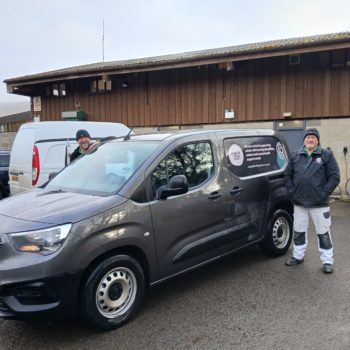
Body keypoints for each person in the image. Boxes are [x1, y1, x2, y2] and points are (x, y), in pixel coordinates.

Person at [284, 128, 340, 274]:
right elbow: (287, 175)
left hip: (319, 203)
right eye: (308, 137)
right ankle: (298, 256)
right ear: (304, 140)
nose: (310, 140)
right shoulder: (296, 155)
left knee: (323, 233)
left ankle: (327, 261)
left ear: (317, 140)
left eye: (313, 138)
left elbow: (335, 176)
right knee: (299, 231)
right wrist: (292, 192)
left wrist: (323, 193)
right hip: (299, 202)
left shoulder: (326, 155)